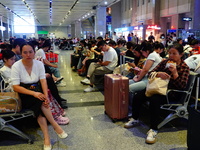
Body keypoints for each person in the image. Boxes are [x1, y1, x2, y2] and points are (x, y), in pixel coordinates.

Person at [124, 43, 190, 144]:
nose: (171, 56)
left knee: (154, 100)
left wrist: (175, 73)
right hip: (157, 88)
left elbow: (181, 86)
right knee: (139, 96)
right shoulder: (165, 62)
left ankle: (153, 129)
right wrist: (158, 73)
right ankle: (135, 118)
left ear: (181, 54)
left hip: (171, 93)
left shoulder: (184, 67)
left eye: (174, 53)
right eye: (169, 53)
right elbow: (150, 72)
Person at [11, 43, 68, 150]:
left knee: (41, 103)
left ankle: (47, 137)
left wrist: (46, 96)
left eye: (30, 52)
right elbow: (16, 87)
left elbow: (43, 81)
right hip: (24, 93)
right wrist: (35, 93)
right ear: (21, 53)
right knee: (39, 101)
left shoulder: (39, 64)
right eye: (25, 52)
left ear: (34, 52)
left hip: (38, 90)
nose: (28, 55)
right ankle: (55, 126)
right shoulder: (16, 66)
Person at [128, 41, 162, 116]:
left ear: (147, 51)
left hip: (150, 80)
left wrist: (138, 79)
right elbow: (146, 70)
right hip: (147, 78)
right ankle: (128, 108)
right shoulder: (154, 55)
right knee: (126, 83)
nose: (142, 54)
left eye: (142, 52)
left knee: (129, 88)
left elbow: (145, 70)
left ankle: (131, 110)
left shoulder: (152, 56)